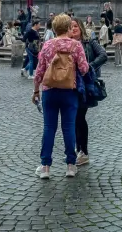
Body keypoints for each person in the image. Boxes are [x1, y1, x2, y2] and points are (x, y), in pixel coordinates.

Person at [33, 15, 89, 179]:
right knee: (69, 127)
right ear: (69, 28)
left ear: (54, 28)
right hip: (69, 91)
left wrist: (36, 91)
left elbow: (39, 71)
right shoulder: (76, 45)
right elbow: (84, 69)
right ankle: (71, 166)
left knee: (49, 128)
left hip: (49, 90)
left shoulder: (48, 45)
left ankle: (45, 167)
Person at [70, 18, 107, 167]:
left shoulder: (88, 42)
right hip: (69, 84)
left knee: (79, 117)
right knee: (73, 118)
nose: (73, 28)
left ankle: (83, 152)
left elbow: (103, 55)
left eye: (75, 26)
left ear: (81, 27)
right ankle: (78, 148)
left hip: (85, 86)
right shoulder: (66, 43)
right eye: (70, 26)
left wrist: (89, 66)